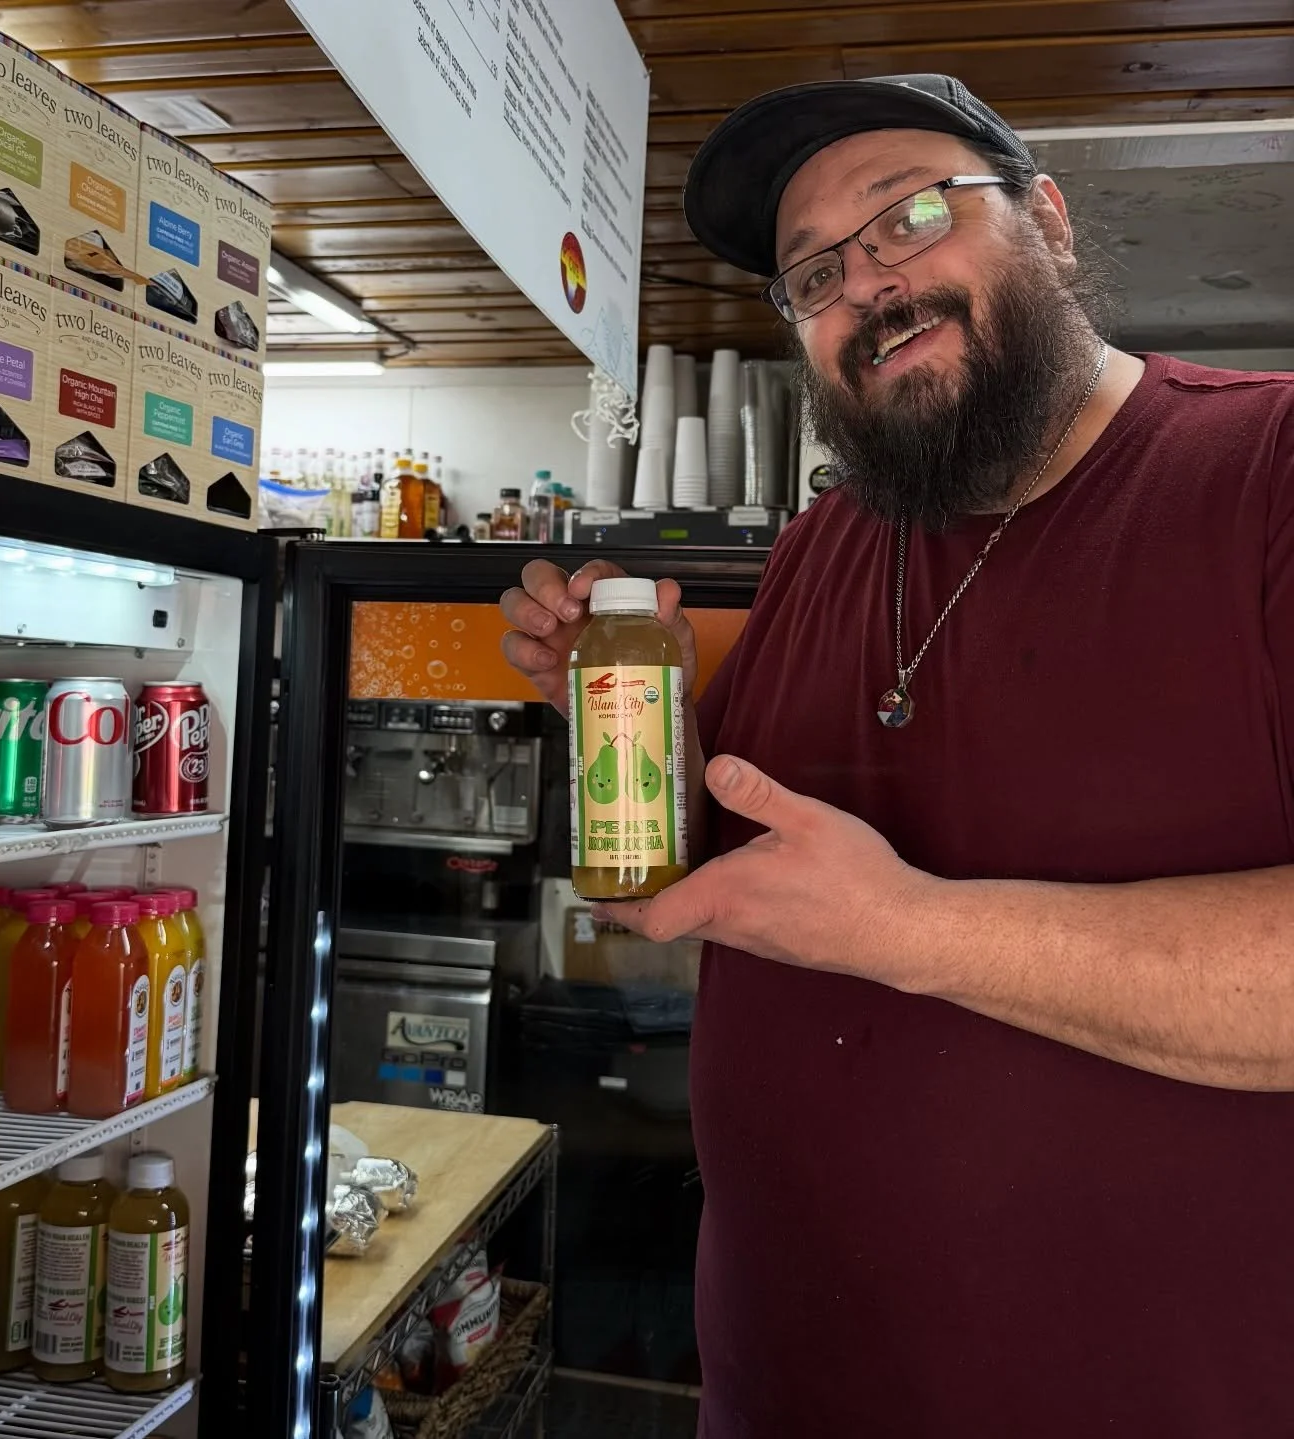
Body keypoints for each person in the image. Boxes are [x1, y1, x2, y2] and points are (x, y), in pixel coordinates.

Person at [500, 75, 1294, 1438]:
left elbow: (868, 917)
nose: (867, 283)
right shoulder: (827, 538)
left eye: (911, 215)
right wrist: (648, 731)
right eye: (815, 273)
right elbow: (747, 875)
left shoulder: (1265, 467)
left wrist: (913, 931)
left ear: (1046, 217)